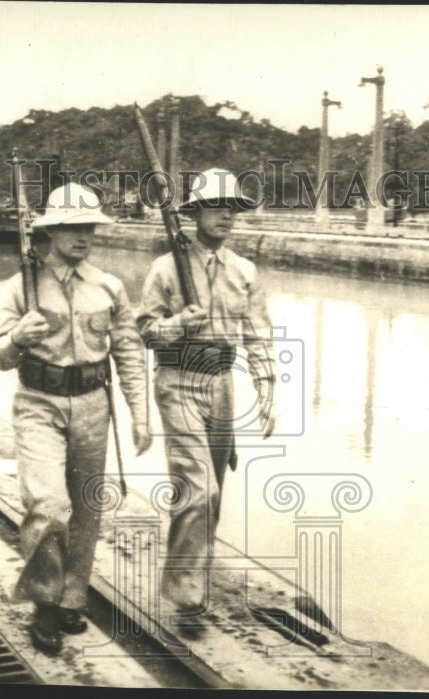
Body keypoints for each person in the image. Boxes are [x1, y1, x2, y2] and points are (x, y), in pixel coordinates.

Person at [0, 183, 151, 654]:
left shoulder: (109, 287)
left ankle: (71, 598)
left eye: (91, 228)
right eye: (75, 227)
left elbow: (127, 351)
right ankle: (43, 601)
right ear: (52, 231)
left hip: (93, 404)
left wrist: (140, 413)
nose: (85, 236)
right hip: (38, 402)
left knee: (85, 508)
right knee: (48, 504)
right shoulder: (19, 285)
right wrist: (18, 338)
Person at [137, 168, 277, 616]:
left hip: (221, 384)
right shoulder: (165, 268)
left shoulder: (244, 271)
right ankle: (188, 597)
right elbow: (146, 333)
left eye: (233, 208)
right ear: (196, 214)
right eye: (217, 207)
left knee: (216, 485)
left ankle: (195, 575)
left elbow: (259, 335)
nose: (226, 216)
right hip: (178, 381)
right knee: (199, 489)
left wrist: (267, 385)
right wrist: (178, 325)